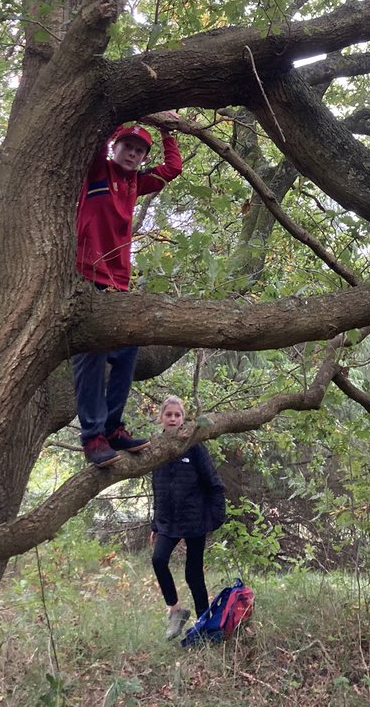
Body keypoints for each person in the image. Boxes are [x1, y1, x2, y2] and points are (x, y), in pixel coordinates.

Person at [74, 118, 182, 467]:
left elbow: (172, 168)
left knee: (127, 349)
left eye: (139, 151)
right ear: (114, 147)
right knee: (90, 356)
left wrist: (169, 131)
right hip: (86, 274)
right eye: (127, 147)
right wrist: (122, 113)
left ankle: (113, 427)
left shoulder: (136, 183)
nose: (132, 154)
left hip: (118, 280)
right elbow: (95, 137)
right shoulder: (96, 170)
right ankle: (92, 437)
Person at [150, 395, 226, 640]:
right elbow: (158, 488)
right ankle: (175, 609)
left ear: (183, 419)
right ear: (161, 417)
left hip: (194, 519)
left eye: (177, 415)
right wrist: (155, 522)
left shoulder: (193, 446)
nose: (173, 419)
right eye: (169, 414)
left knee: (193, 574)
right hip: (167, 521)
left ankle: (204, 623)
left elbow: (214, 483)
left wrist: (214, 519)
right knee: (158, 559)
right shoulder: (156, 448)